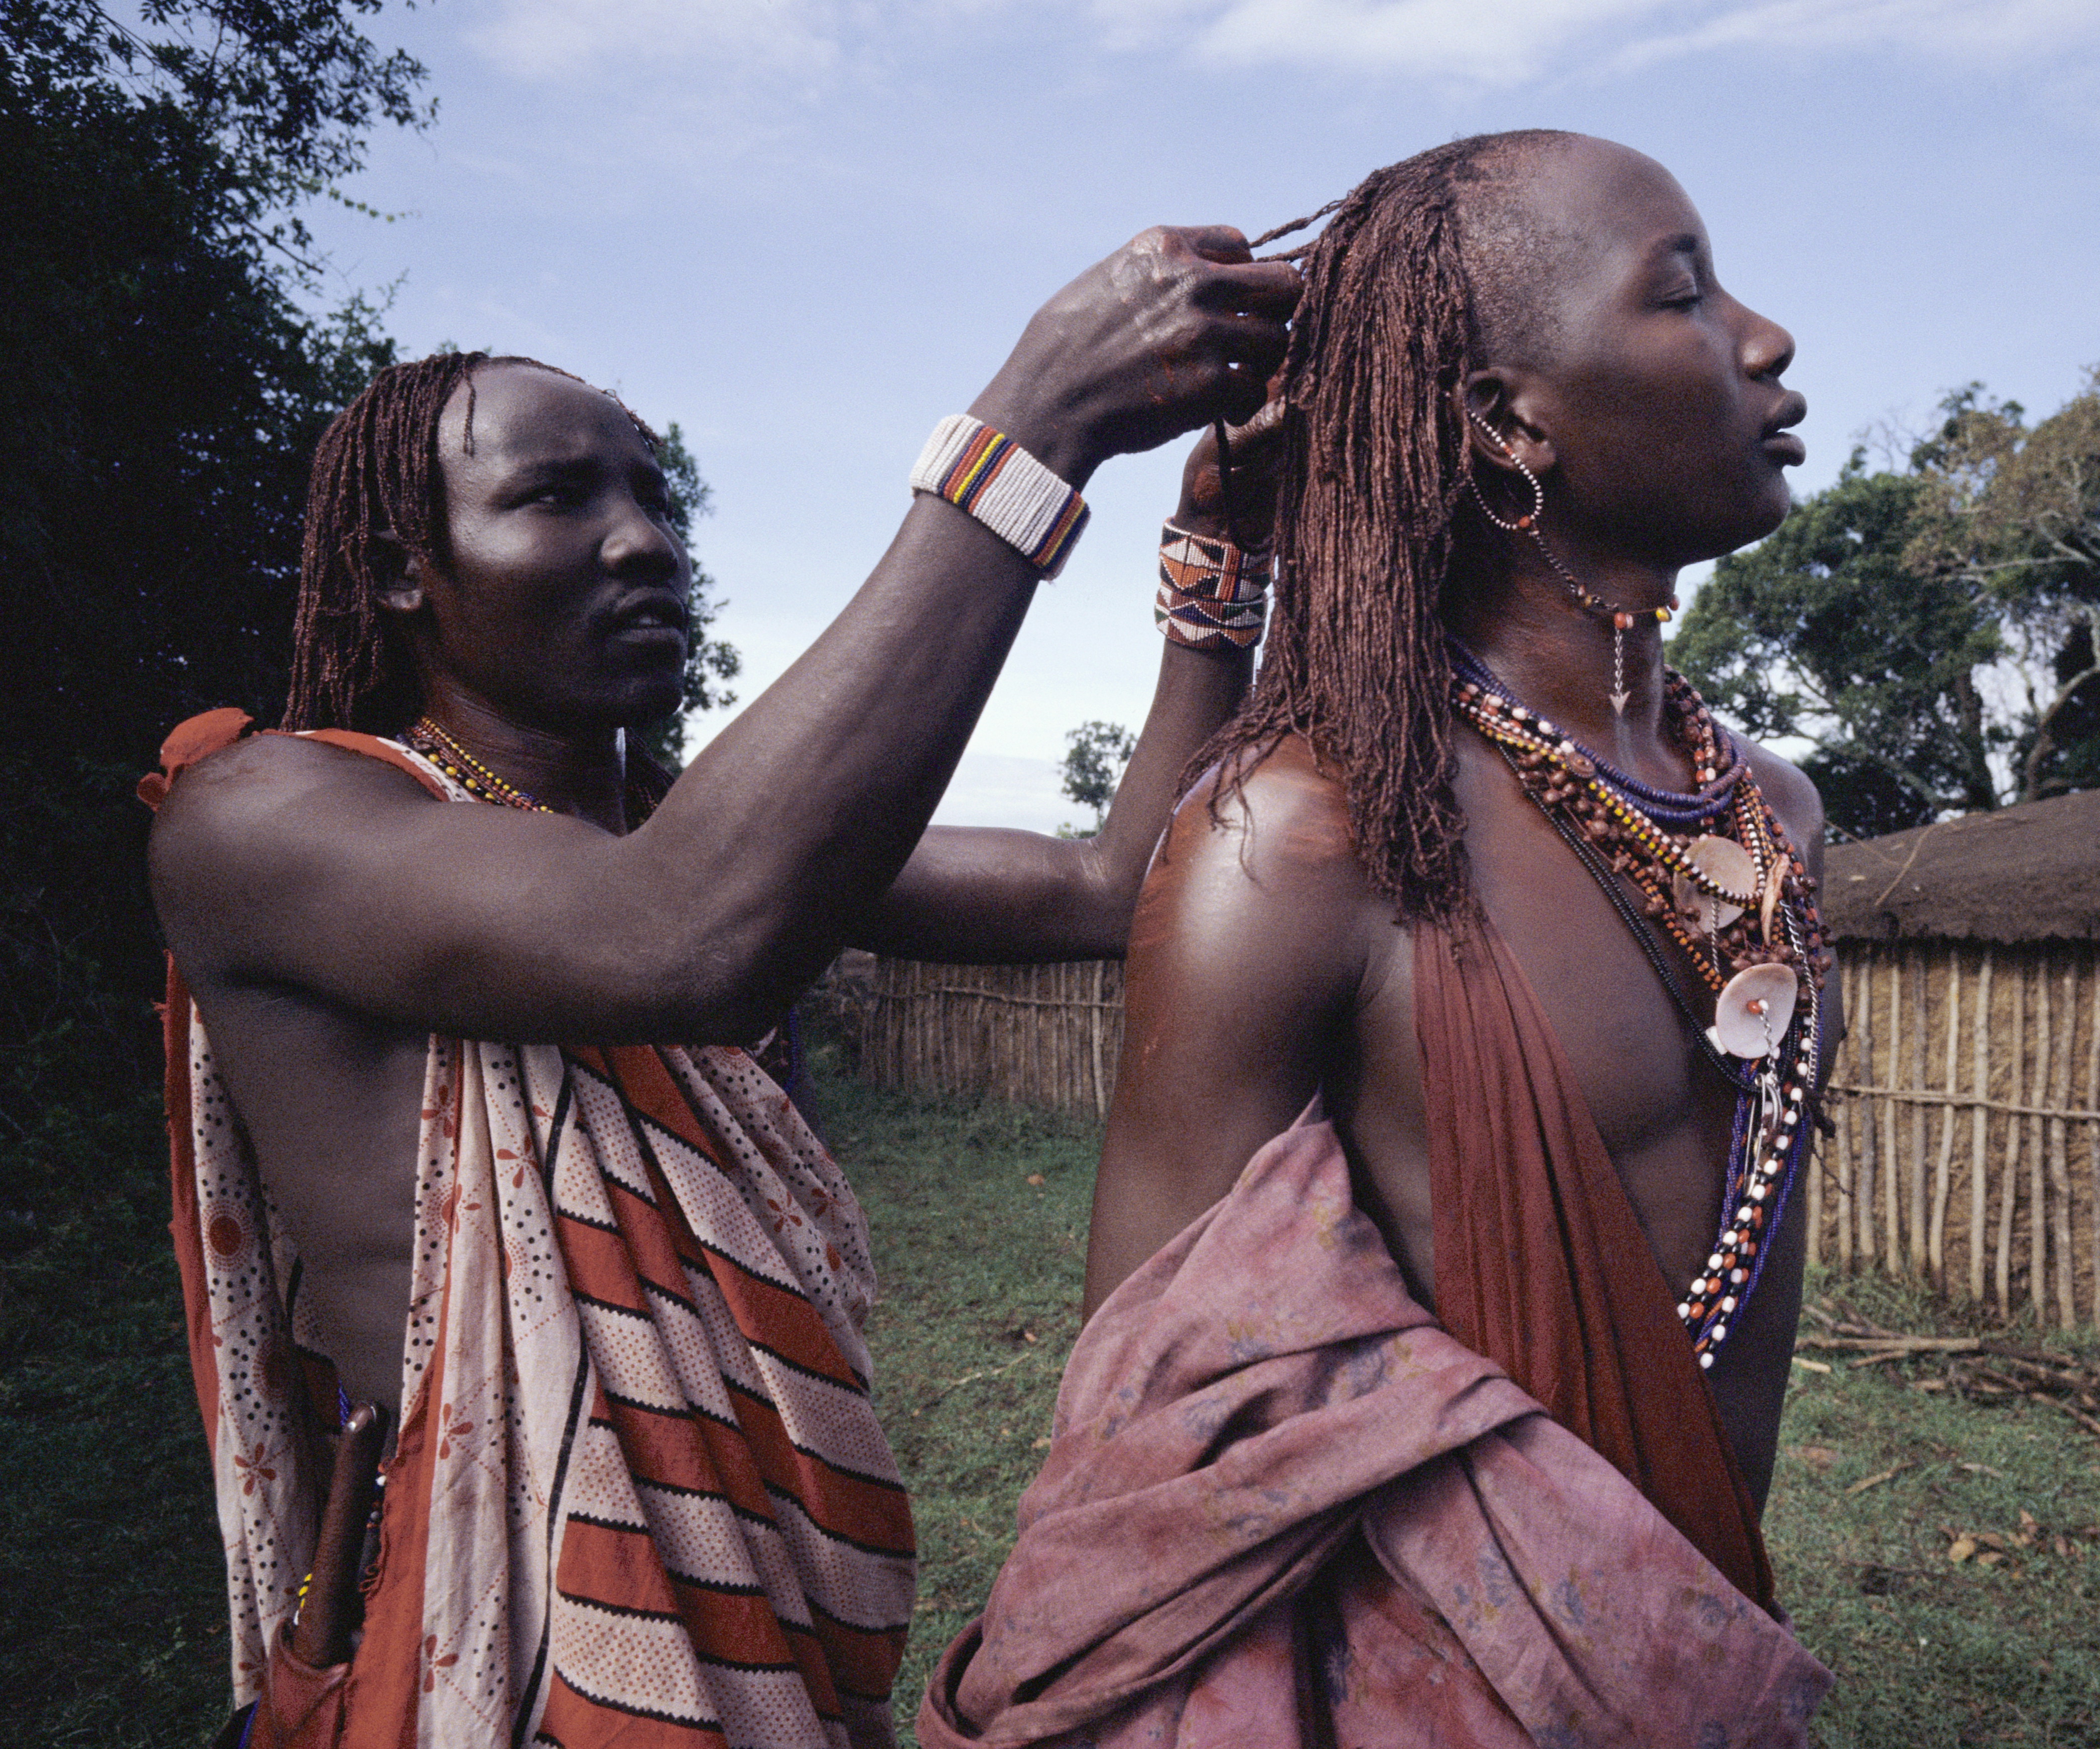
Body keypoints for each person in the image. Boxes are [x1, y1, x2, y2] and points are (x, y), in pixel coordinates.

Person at [142, 224, 1297, 1748]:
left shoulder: (697, 842)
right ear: (393, 573)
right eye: (557, 496)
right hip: (504, 1650)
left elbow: (1112, 879)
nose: (643, 539)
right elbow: (684, 938)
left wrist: (1224, 563)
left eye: (652, 494)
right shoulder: (271, 818)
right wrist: (1031, 430)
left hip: (781, 1608)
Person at [920, 133, 1838, 1748]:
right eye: (1684, 293)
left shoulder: (1770, 815)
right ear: (1504, 419)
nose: (1763, 340)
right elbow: (1158, 1468)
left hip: (1700, 1654)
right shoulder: (1305, 839)